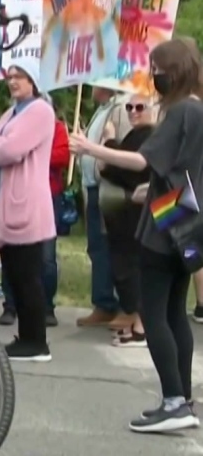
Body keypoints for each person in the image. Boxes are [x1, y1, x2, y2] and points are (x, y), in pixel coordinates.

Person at [70, 37, 202, 433]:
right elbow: (178, 169)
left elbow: (142, 159)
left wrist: (92, 148)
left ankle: (174, 401)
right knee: (176, 311)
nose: (153, 76)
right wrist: (152, 188)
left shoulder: (180, 112)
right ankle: (184, 399)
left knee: (153, 311)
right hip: (188, 218)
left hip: (165, 227)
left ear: (172, 72)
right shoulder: (198, 110)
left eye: (156, 69)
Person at [0, 65, 55, 362]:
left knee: (27, 276)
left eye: (19, 77)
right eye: (9, 77)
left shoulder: (40, 111)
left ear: (33, 80)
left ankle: (36, 342)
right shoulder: (13, 112)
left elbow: (9, 151)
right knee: (15, 275)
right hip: (5, 205)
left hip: (26, 205)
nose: (12, 82)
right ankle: (27, 335)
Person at [0, 94, 68, 328]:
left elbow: (62, 155)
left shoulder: (56, 127)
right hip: (14, 194)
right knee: (11, 251)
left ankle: (47, 307)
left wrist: (30, 152)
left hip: (47, 195)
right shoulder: (10, 126)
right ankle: (10, 305)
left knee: (46, 256)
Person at [98, 93, 155, 348]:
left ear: (151, 108)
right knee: (127, 268)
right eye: (129, 107)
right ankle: (138, 322)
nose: (133, 111)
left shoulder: (149, 135)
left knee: (135, 270)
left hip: (137, 213)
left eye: (139, 107)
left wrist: (108, 141)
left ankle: (142, 327)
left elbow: (126, 167)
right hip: (124, 214)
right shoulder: (136, 134)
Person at [77, 84, 132, 328]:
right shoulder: (101, 109)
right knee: (97, 247)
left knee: (115, 247)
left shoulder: (121, 108)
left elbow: (122, 148)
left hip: (108, 189)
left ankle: (124, 306)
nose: (91, 87)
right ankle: (103, 303)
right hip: (92, 188)